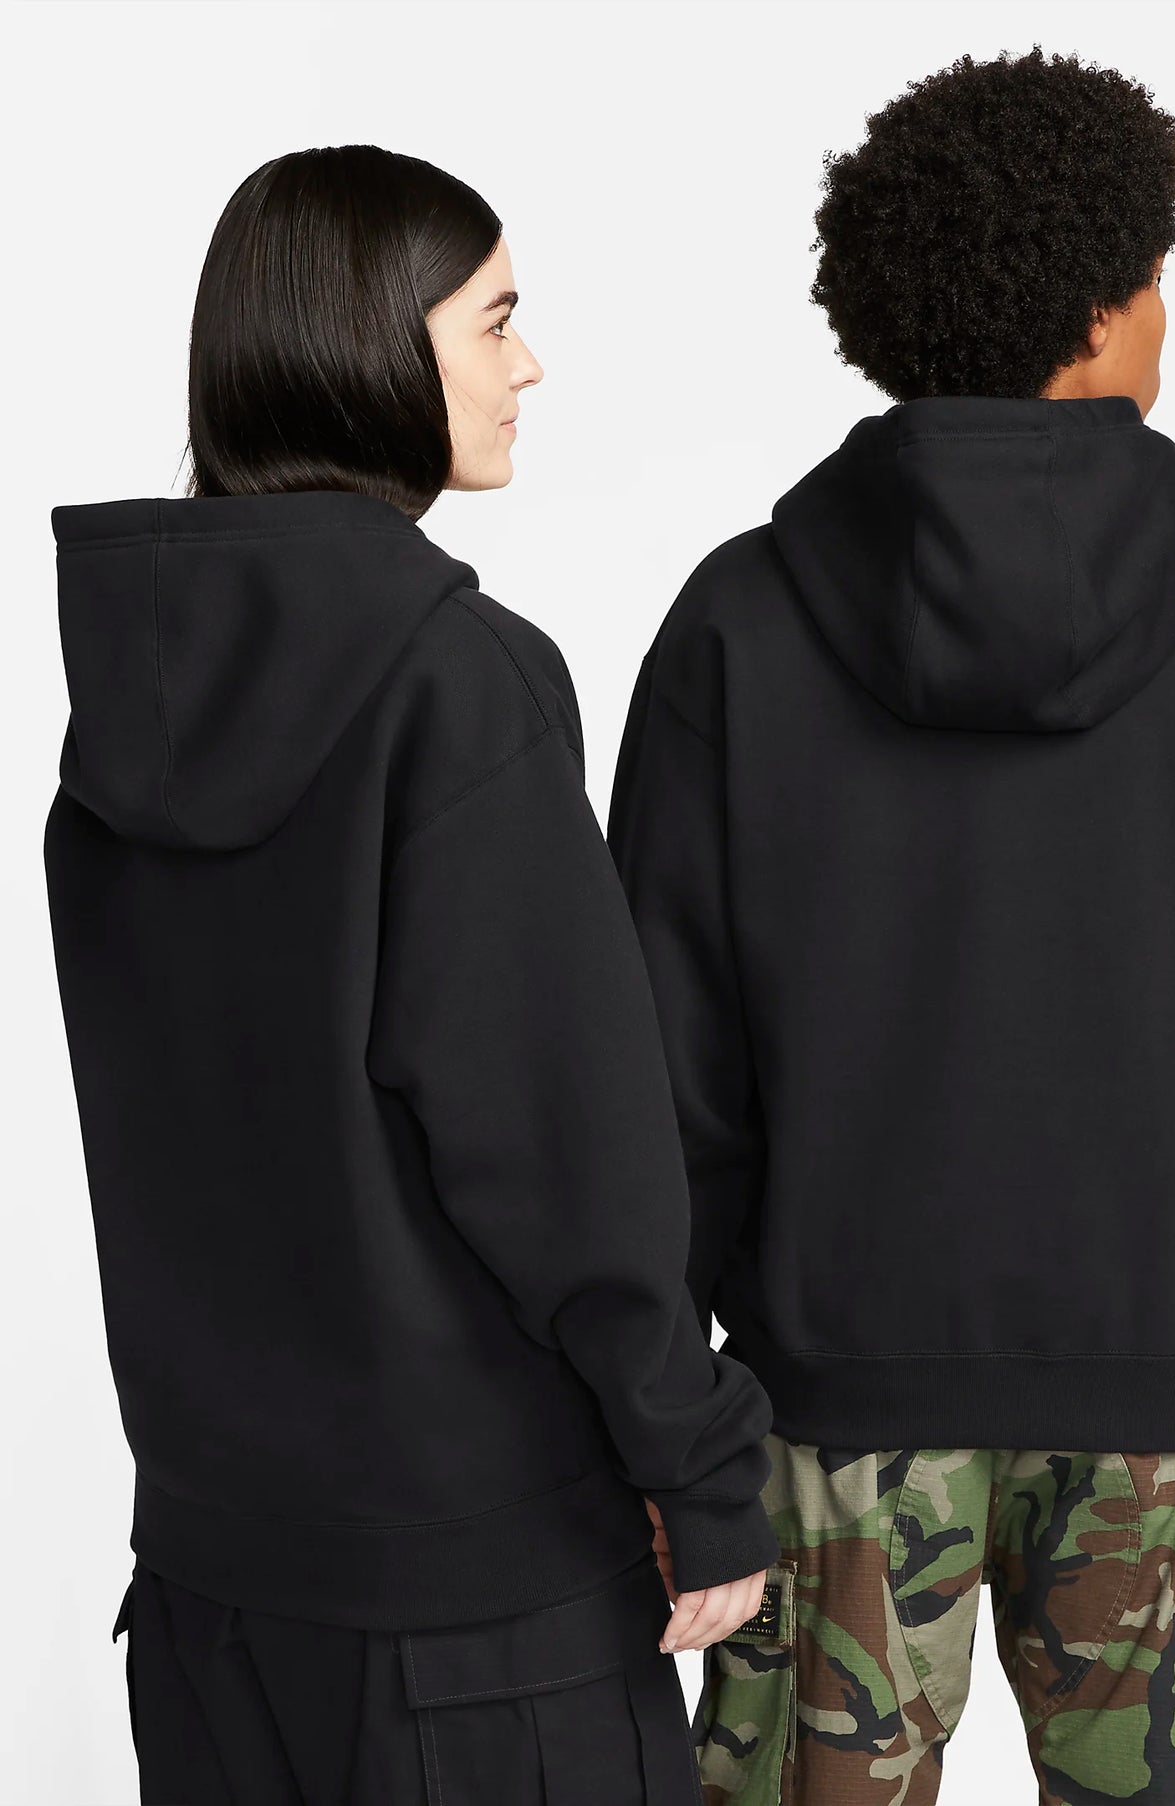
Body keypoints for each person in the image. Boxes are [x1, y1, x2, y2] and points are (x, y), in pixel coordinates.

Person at [607, 47, 1175, 1806]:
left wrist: (669, 1415)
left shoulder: (738, 625)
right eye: (1154, 275)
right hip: (1163, 1422)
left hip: (826, 1427)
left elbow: (662, 1074)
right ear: (1099, 307)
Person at [44, 144, 777, 1806]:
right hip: (481, 1623)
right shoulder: (455, 682)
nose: (530, 365)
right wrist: (698, 1462)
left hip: (213, 1607)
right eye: (495, 320)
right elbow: (561, 1142)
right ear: (373, 345)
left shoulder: (121, 727)